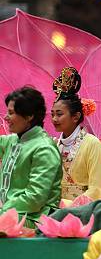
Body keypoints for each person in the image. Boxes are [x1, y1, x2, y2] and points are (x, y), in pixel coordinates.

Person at [0, 87, 62, 227]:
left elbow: (34, 199)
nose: (6, 117)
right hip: (11, 213)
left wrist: (4, 211)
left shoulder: (44, 148)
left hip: (35, 219)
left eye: (11, 113)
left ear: (29, 116)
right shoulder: (14, 140)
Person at [51, 66, 101, 205]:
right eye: (52, 114)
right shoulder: (53, 145)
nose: (54, 119)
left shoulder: (92, 144)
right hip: (56, 210)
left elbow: (98, 189)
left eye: (59, 114)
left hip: (84, 212)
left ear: (76, 116)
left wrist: (70, 205)